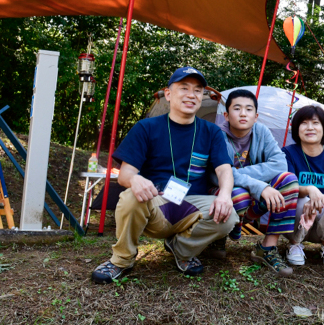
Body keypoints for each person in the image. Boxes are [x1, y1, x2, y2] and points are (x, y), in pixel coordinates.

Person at [91, 67, 239, 284]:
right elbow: (125, 174)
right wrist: (135, 179)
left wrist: (225, 195)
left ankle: (181, 248)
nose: (192, 95)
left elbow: (224, 169)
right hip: (155, 204)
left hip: (191, 205)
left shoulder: (211, 131)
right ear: (168, 94)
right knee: (130, 196)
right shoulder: (146, 128)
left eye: (198, 91)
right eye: (184, 88)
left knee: (229, 216)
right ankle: (122, 259)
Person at [207, 89, 299, 276]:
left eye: (249, 109)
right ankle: (219, 236)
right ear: (226, 115)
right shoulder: (216, 134)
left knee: (289, 180)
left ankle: (267, 248)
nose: (243, 113)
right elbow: (216, 175)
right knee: (237, 193)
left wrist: (238, 174)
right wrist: (260, 186)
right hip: (223, 194)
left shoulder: (262, 132)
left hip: (254, 200)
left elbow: (280, 164)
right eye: (237, 108)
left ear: (256, 116)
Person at [281, 105, 324, 269]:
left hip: (323, 220)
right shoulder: (288, 153)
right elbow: (289, 187)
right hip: (298, 218)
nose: (310, 127)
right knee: (300, 202)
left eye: (315, 123)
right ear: (297, 129)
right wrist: (310, 190)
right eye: (304, 123)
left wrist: (318, 199)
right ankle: (294, 243)